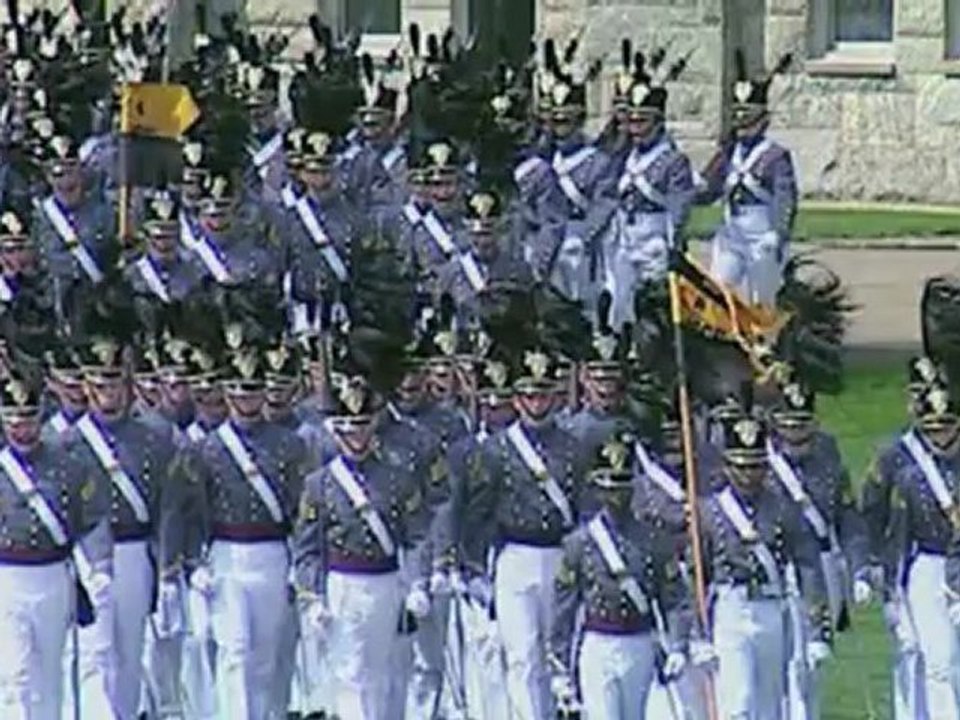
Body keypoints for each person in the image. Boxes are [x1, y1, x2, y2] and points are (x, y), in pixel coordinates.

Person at [183, 321, 309, 718]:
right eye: (238, 391)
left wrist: (300, 562)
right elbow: (191, 510)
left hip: (272, 552)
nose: (246, 401)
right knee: (234, 649)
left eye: (253, 392)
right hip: (226, 553)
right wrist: (192, 561)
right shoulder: (207, 449)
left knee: (266, 656)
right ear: (226, 392)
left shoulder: (289, 444)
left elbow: (299, 510)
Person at [696, 410, 832, 719]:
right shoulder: (710, 512)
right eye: (741, 467)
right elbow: (696, 575)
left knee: (771, 702)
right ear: (727, 467)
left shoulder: (783, 509)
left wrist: (817, 630)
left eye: (756, 466)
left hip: (772, 606)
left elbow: (807, 566)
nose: (748, 475)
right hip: (731, 607)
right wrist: (696, 633)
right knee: (738, 702)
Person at [549, 433, 689, 719]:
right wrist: (559, 665)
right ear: (597, 490)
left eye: (623, 488)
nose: (616, 496)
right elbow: (564, 607)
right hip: (598, 641)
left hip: (638, 640)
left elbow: (673, 597)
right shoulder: (580, 542)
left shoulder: (654, 540)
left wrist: (678, 644)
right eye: (609, 488)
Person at [0, 369, 113, 720]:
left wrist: (100, 566)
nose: (22, 430)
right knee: (14, 674)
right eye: (13, 422)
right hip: (8, 577)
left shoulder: (67, 465)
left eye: (29, 421)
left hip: (53, 576)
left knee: (51, 672)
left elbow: (93, 518)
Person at [861, 378, 960, 720]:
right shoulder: (907, 470)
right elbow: (886, 521)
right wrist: (880, 570)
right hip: (928, 565)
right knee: (938, 660)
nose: (939, 437)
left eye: (946, 428)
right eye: (932, 429)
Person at [698, 50, 796, 305]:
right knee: (719, 290)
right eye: (738, 119)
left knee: (760, 299)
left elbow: (784, 199)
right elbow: (709, 191)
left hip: (761, 235)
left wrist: (778, 232)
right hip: (732, 235)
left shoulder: (775, 157)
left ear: (763, 121)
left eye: (749, 120)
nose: (742, 126)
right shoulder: (728, 154)